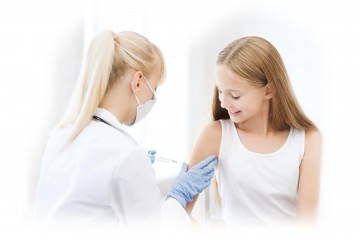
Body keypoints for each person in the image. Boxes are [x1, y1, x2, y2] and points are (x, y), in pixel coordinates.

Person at [33, 30, 216, 228]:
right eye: (154, 88)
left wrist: (135, 171)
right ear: (138, 81)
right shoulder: (126, 155)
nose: (153, 97)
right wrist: (178, 196)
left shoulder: (61, 136)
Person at [185, 36, 322, 226]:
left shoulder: (308, 139)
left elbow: (306, 225)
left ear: (268, 90)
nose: (224, 103)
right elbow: (180, 213)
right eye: (220, 91)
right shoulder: (215, 135)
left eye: (234, 95)